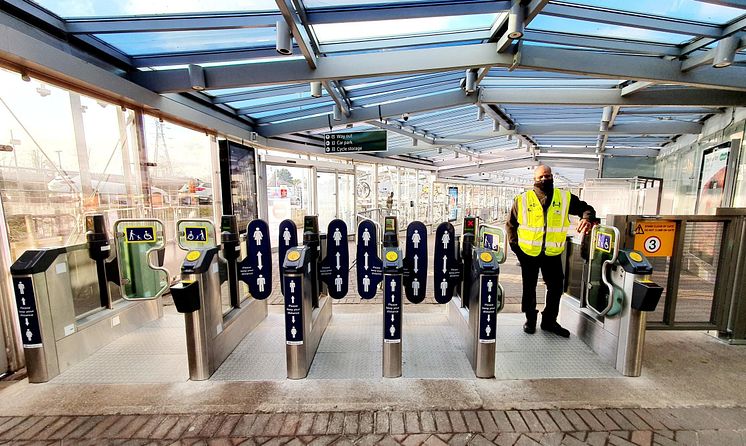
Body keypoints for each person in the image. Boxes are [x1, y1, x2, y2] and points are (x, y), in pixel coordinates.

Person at [506, 165, 597, 338]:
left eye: (547, 176)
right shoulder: (522, 199)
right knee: (529, 288)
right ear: (534, 179)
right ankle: (530, 320)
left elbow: (586, 209)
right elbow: (511, 225)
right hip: (528, 253)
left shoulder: (564, 197)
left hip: (552, 254)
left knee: (556, 287)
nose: (544, 179)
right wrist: (516, 249)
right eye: (541, 177)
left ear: (552, 177)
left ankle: (549, 321)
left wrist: (587, 218)